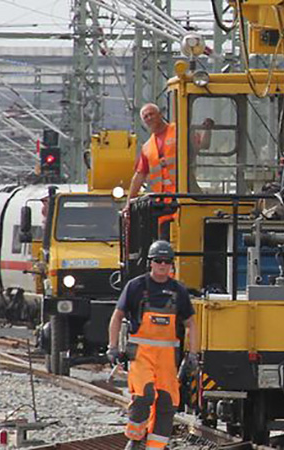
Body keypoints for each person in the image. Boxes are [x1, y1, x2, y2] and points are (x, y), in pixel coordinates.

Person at [106, 240, 198, 450]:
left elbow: (191, 323)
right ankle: (136, 438)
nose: (162, 265)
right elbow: (117, 316)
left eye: (167, 261)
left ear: (172, 264)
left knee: (167, 404)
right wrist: (112, 347)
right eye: (158, 261)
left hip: (167, 358)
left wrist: (192, 354)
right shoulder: (136, 287)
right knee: (144, 396)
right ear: (150, 262)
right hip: (141, 355)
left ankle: (155, 447)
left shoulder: (178, 291)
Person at [126, 104, 177, 211]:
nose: (149, 118)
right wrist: (129, 204)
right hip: (161, 202)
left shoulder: (178, 131)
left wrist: (207, 130)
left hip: (181, 196)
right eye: (146, 117)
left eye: (151, 114)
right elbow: (139, 175)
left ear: (160, 114)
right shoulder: (147, 147)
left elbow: (201, 145)